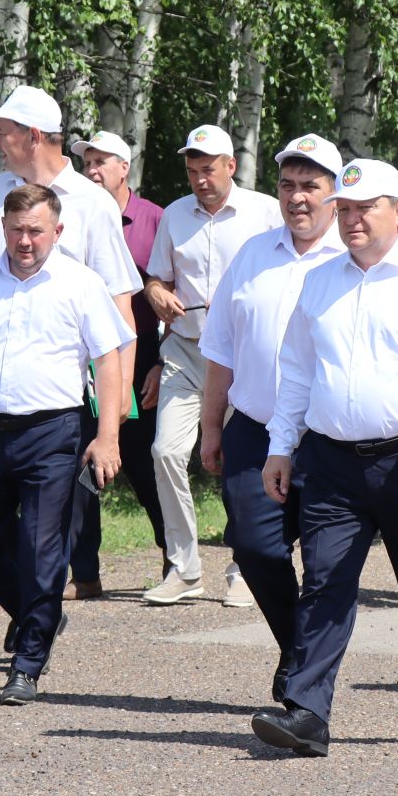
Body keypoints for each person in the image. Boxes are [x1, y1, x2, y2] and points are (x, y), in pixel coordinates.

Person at [252, 159, 398, 755]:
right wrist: (281, 446)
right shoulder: (321, 280)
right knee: (324, 581)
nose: (351, 221)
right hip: (332, 462)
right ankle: (307, 711)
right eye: (345, 210)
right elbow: (298, 371)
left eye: (365, 209)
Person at [0, 185, 132, 704]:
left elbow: (109, 359)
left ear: (56, 232)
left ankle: (28, 662)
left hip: (52, 432)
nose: (25, 241)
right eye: (16, 230)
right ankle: (38, 612)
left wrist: (108, 435)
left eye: (36, 231)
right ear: (3, 228)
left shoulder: (81, 283)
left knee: (42, 550)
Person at [0, 87, 141, 601]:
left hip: (69, 396)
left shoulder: (93, 204)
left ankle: (37, 623)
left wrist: (115, 408)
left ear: (34, 136)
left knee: (51, 529)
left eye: (4, 131)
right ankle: (34, 613)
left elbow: (120, 307)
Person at [198, 134, 348, 702]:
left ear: (336, 195)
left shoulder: (353, 257)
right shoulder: (253, 254)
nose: (297, 198)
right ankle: (299, 651)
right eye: (287, 186)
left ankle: (305, 682)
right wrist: (212, 428)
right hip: (255, 429)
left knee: (327, 565)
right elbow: (221, 350)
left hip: (328, 439)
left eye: (311, 186)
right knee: (256, 549)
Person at [142, 124, 284, 606]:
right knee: (165, 451)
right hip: (185, 351)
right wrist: (158, 294)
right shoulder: (175, 215)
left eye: (208, 169)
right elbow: (156, 279)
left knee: (239, 465)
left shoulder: (266, 211)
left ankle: (245, 568)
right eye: (192, 171)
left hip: (244, 358)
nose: (200, 179)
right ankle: (183, 568)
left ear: (231, 166)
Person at [73, 129, 169, 587]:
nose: (91, 171)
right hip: (81, 354)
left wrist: (161, 362)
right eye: (86, 163)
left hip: (141, 350)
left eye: (100, 163)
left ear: (124, 167)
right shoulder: (69, 210)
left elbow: (176, 294)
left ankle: (176, 557)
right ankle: (84, 574)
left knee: (141, 460)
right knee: (78, 460)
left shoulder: (155, 219)